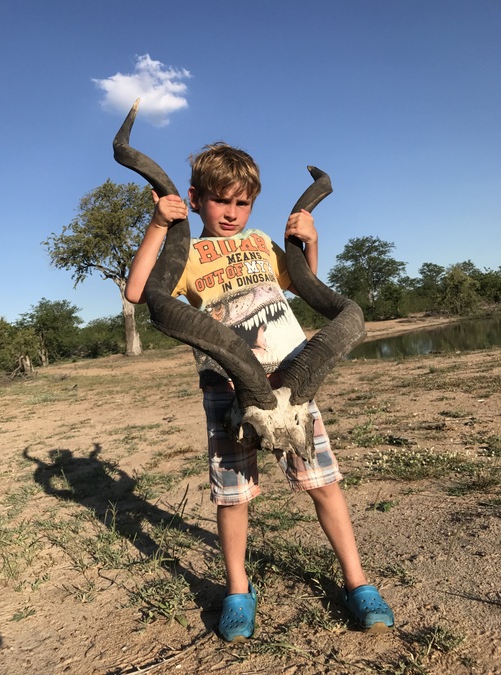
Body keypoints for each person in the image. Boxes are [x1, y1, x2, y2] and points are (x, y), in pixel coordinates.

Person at [125, 142, 394, 642]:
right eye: (220, 201)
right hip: (229, 387)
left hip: (292, 380)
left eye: (242, 202)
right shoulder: (186, 253)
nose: (232, 213)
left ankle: (357, 583)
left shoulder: (262, 243)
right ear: (195, 198)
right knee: (234, 495)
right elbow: (140, 292)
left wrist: (309, 237)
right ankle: (236, 591)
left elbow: (304, 281)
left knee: (323, 483)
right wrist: (160, 224)